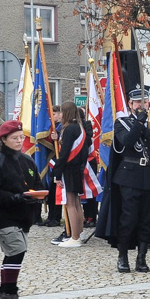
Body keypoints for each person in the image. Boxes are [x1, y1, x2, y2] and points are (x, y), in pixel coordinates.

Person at [95, 93, 150, 272]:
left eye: (144, 101)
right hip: (129, 177)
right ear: (130, 104)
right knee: (128, 218)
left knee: (146, 219)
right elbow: (127, 141)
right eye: (137, 102)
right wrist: (139, 123)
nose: (141, 105)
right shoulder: (122, 123)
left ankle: (142, 258)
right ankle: (123, 257)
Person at [0, 120, 42, 299]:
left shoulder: (27, 160)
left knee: (15, 253)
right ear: (4, 139)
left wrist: (38, 196)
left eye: (21, 137)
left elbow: (37, 184)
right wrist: (16, 198)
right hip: (3, 215)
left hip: (24, 214)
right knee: (17, 250)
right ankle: (9, 292)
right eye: (15, 138)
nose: (19, 141)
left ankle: (5, 292)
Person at [52, 101, 91, 248]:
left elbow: (65, 153)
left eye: (61, 112)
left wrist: (57, 172)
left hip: (69, 168)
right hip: (77, 168)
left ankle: (74, 237)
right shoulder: (78, 127)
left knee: (70, 203)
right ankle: (79, 232)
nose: (60, 115)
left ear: (66, 113)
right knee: (76, 202)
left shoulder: (69, 129)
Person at [43, 104, 63, 228]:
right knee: (51, 191)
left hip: (59, 160)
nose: (52, 117)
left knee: (57, 191)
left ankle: (56, 216)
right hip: (52, 161)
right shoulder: (54, 127)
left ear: (61, 114)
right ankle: (51, 216)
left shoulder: (62, 127)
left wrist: (58, 137)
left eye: (54, 114)